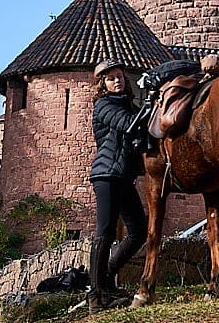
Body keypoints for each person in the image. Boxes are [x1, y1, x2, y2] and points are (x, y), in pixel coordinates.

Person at [88, 60, 148, 310]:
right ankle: (95, 296)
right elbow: (129, 125)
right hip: (107, 175)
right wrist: (151, 107)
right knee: (105, 232)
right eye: (111, 78)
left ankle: (106, 280)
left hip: (122, 176)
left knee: (137, 232)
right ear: (103, 84)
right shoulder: (104, 105)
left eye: (120, 76)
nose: (118, 80)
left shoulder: (128, 105)